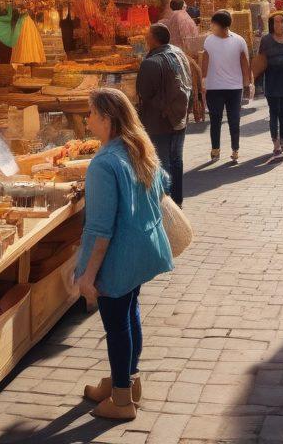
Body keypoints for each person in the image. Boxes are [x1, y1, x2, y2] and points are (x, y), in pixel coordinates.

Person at [76, 88, 173, 420]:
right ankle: (127, 383)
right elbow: (164, 185)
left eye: (90, 114)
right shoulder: (139, 146)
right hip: (141, 250)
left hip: (118, 257)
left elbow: (100, 230)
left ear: (106, 118)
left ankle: (121, 401)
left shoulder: (104, 163)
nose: (86, 121)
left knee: (116, 324)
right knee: (129, 313)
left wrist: (88, 275)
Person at [135, 23, 192, 206]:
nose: (145, 38)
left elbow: (144, 92)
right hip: (179, 117)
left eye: (147, 36)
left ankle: (165, 205)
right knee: (176, 160)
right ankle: (177, 201)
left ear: (153, 40)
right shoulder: (179, 54)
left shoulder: (151, 62)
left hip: (160, 121)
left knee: (162, 162)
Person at [200, 10, 251, 164]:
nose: (211, 26)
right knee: (215, 120)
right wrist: (203, 80)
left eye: (213, 24)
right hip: (214, 87)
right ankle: (215, 149)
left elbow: (245, 63)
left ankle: (235, 149)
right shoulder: (209, 40)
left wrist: (247, 84)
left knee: (234, 119)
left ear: (221, 26)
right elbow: (205, 60)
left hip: (234, 88)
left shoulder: (239, 41)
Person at [256, 12, 283, 156]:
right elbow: (261, 61)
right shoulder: (266, 40)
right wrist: (256, 82)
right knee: (274, 112)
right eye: (275, 22)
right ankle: (275, 143)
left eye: (281, 22)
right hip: (272, 81)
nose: (278, 25)